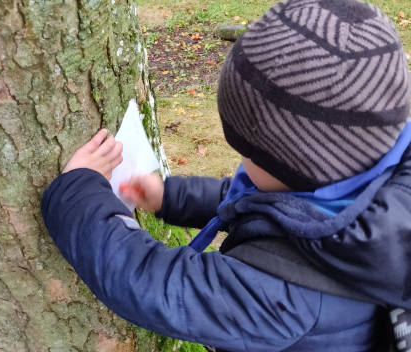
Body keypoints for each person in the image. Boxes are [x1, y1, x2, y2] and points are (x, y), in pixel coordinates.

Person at [41, 0, 411, 350]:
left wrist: (78, 192)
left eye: (246, 151)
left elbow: (155, 287)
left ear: (295, 166)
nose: (240, 161)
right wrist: (170, 197)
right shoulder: (369, 175)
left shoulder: (285, 291)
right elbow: (265, 204)